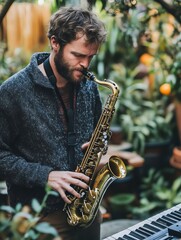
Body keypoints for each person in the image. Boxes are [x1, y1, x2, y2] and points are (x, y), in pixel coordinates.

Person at [0, 6, 107, 240]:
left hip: (85, 210)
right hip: (39, 219)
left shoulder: (89, 87)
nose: (85, 65)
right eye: (78, 55)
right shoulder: (13, 92)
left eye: (91, 56)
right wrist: (45, 175)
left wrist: (98, 145)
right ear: (55, 43)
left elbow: (99, 133)